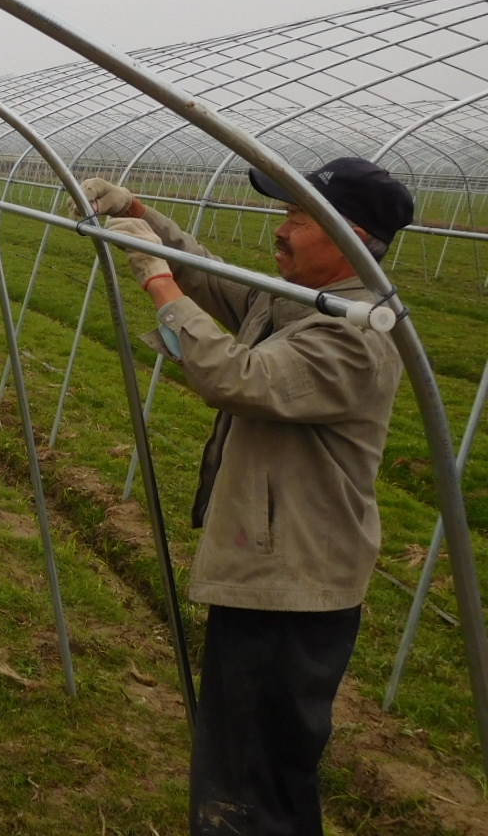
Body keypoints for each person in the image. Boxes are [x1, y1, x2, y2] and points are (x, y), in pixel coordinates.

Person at [83, 159, 413, 836]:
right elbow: (216, 279)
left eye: (297, 218)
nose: (280, 231)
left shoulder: (357, 335)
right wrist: (145, 219)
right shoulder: (302, 297)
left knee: (255, 779)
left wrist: (158, 285)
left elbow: (239, 378)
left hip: (293, 585)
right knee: (246, 757)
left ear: (348, 237)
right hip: (270, 573)